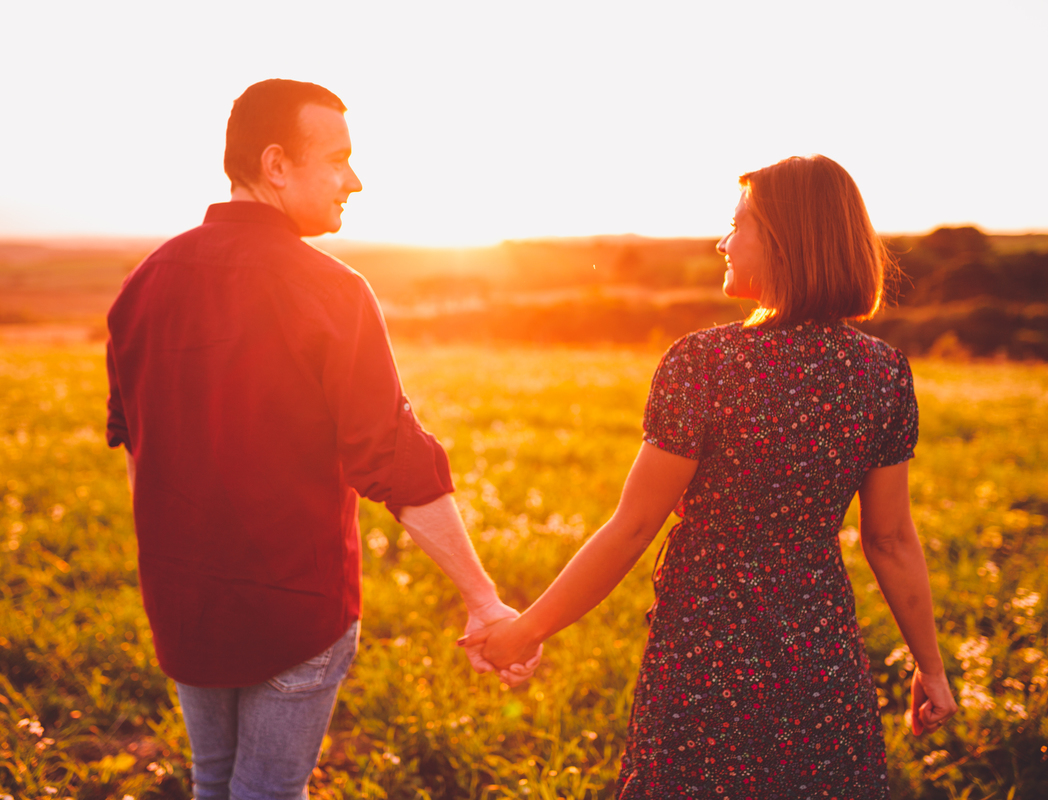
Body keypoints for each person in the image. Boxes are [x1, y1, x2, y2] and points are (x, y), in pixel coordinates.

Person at [463, 155, 957, 798]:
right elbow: (889, 540)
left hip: (708, 646)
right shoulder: (884, 371)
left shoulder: (706, 363)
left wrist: (522, 632)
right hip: (821, 649)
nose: (723, 241)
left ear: (782, 241)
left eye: (737, 224)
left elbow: (635, 525)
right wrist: (932, 668)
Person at [104, 79, 537, 800]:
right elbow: (393, 458)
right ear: (276, 166)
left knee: (214, 782)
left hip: (182, 605)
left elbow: (137, 449)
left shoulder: (143, 284)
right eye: (337, 159)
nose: (355, 180)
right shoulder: (332, 290)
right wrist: (484, 601)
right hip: (295, 607)